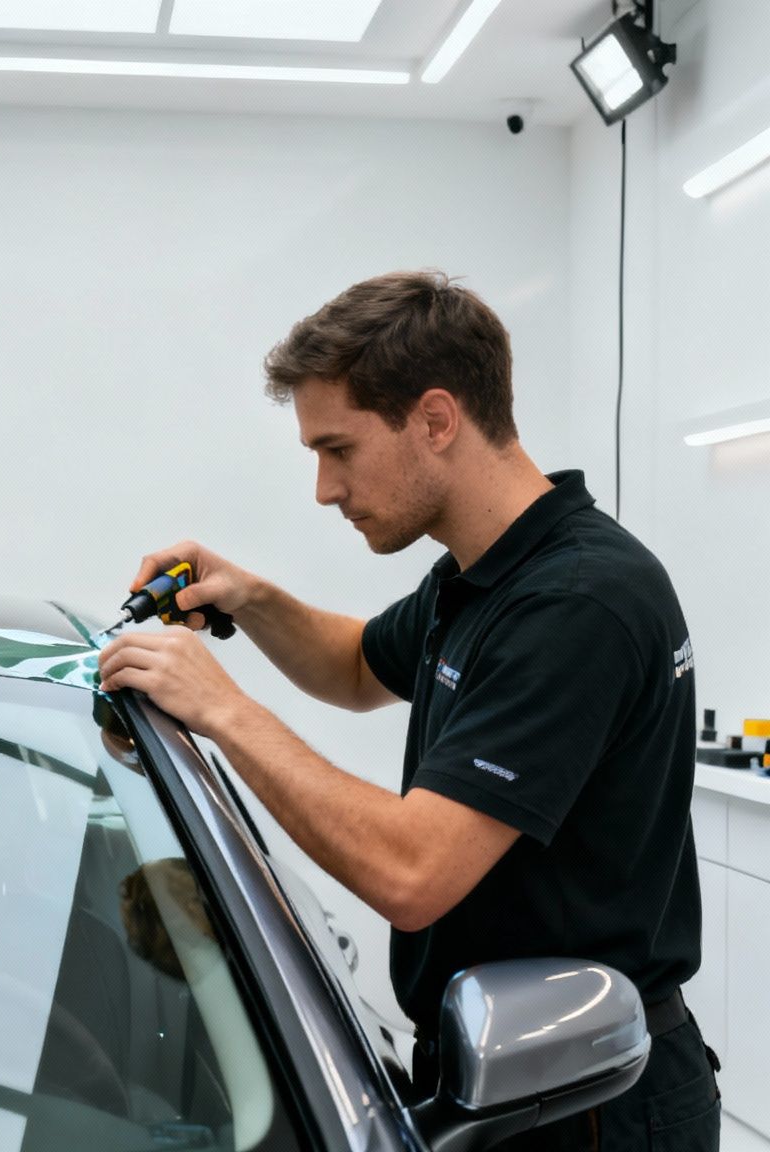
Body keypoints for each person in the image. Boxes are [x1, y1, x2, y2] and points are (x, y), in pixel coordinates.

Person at [96, 270, 719, 1150]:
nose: (323, 488)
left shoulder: (575, 603)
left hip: (589, 1104)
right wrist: (247, 596)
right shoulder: (481, 572)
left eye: (338, 449)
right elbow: (355, 666)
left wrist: (224, 713)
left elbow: (413, 874)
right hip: (507, 1073)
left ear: (435, 419)